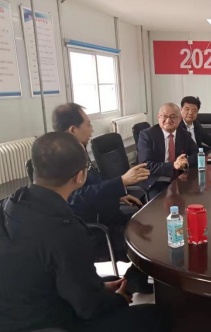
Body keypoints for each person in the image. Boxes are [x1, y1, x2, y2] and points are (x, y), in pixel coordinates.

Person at [0, 132, 170, 332]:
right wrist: (117, 299)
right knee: (154, 321)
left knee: (112, 296)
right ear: (80, 176)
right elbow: (90, 308)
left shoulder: (11, 205)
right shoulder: (63, 230)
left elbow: (42, 274)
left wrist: (100, 288)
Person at [52, 103, 152, 294]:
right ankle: (132, 282)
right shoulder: (61, 159)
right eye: (88, 124)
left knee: (147, 224)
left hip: (107, 213)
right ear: (73, 129)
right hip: (94, 229)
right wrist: (121, 181)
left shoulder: (78, 150)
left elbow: (95, 182)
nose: (92, 129)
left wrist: (119, 193)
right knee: (145, 239)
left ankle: (136, 279)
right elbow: (74, 199)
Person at [138, 103, 199, 197]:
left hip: (179, 177)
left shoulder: (185, 134)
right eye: (164, 116)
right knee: (161, 203)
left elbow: (197, 154)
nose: (168, 120)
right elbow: (145, 165)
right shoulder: (147, 135)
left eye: (173, 117)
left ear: (179, 119)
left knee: (195, 195)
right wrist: (173, 165)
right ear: (158, 117)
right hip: (156, 180)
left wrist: (186, 162)